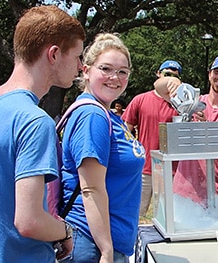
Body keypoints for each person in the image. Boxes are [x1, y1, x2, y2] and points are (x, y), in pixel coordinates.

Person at [0, 5, 86, 262]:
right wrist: (65, 231)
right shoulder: (34, 121)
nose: (81, 67)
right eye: (77, 57)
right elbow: (29, 221)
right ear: (53, 54)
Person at [60, 33, 145, 263]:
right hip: (90, 244)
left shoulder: (108, 115)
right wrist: (106, 251)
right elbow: (91, 189)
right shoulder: (91, 115)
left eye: (122, 71)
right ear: (86, 71)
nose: (114, 77)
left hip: (106, 241)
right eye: (105, 69)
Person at [171, 54, 218, 205]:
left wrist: (206, 127)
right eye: (217, 72)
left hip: (216, 194)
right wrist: (171, 80)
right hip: (183, 189)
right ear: (209, 75)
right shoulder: (191, 102)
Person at [122, 59, 181, 216]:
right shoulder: (140, 99)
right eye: (166, 74)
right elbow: (125, 130)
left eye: (174, 76)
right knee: (134, 213)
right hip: (143, 168)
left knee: (165, 215)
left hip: (170, 169)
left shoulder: (181, 104)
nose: (169, 79)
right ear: (158, 74)